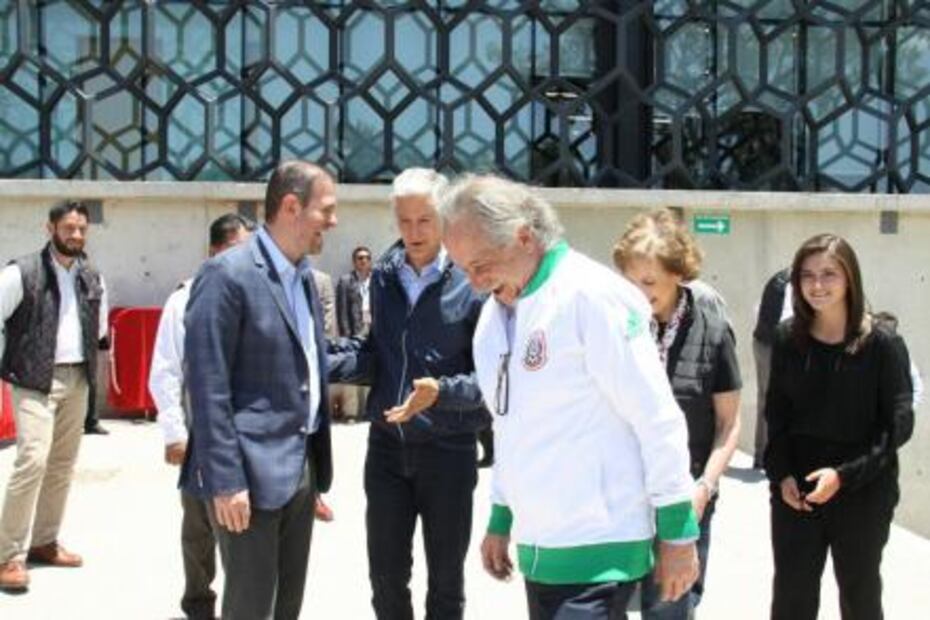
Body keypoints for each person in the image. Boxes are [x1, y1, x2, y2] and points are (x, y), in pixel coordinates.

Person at [439, 174, 699, 620]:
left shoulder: (592, 296)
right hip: (542, 550)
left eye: (481, 265)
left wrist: (678, 532)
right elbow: (508, 425)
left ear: (523, 238)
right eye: (464, 270)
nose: (476, 283)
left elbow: (656, 417)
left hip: (601, 545)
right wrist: (501, 518)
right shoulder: (491, 320)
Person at [329, 168, 489, 620]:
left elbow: (494, 376)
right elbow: (377, 353)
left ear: (444, 217)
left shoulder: (473, 280)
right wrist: (314, 361)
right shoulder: (383, 276)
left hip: (449, 451)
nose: (413, 232)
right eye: (404, 221)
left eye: (424, 220)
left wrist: (441, 392)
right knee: (385, 579)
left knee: (445, 584)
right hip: (386, 449)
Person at [182, 161, 337, 620]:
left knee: (287, 606)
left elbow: (305, 360)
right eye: (326, 209)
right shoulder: (226, 275)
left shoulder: (305, 277)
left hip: (301, 467)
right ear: (291, 206)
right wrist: (226, 480)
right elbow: (207, 386)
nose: (333, 221)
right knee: (250, 608)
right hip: (245, 476)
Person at [764, 233, 914, 620]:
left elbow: (897, 426)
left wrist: (843, 477)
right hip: (796, 492)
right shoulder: (786, 339)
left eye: (829, 274)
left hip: (861, 491)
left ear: (850, 278)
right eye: (807, 275)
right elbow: (776, 416)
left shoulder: (882, 343)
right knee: (791, 598)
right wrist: (781, 476)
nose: (817, 285)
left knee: (859, 597)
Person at [613, 209, 742, 619]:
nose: (638, 290)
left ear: (678, 274)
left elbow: (729, 424)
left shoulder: (713, 332)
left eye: (649, 281)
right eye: (630, 279)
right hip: (618, 498)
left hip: (686, 497)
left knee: (670, 606)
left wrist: (705, 486)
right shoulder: (611, 326)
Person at [148, 213, 254, 619]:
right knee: (198, 526)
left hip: (248, 435)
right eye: (235, 250)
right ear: (214, 252)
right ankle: (198, 603)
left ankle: (242, 604)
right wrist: (174, 433)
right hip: (200, 434)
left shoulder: (260, 294)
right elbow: (165, 370)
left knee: (244, 527)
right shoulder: (185, 299)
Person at [0, 201, 109, 592]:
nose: (76, 235)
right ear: (50, 229)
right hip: (33, 379)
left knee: (62, 465)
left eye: (82, 229)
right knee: (32, 460)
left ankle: (44, 541)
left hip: (78, 378)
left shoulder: (92, 275)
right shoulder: (21, 272)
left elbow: (100, 329)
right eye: (68, 228)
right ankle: (7, 555)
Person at [752, 267, 792, 469]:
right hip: (773, 345)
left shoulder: (778, 278)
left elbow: (757, 308)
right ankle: (768, 457)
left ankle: (761, 456)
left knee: (765, 400)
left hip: (761, 341)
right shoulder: (792, 285)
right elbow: (789, 320)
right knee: (774, 401)